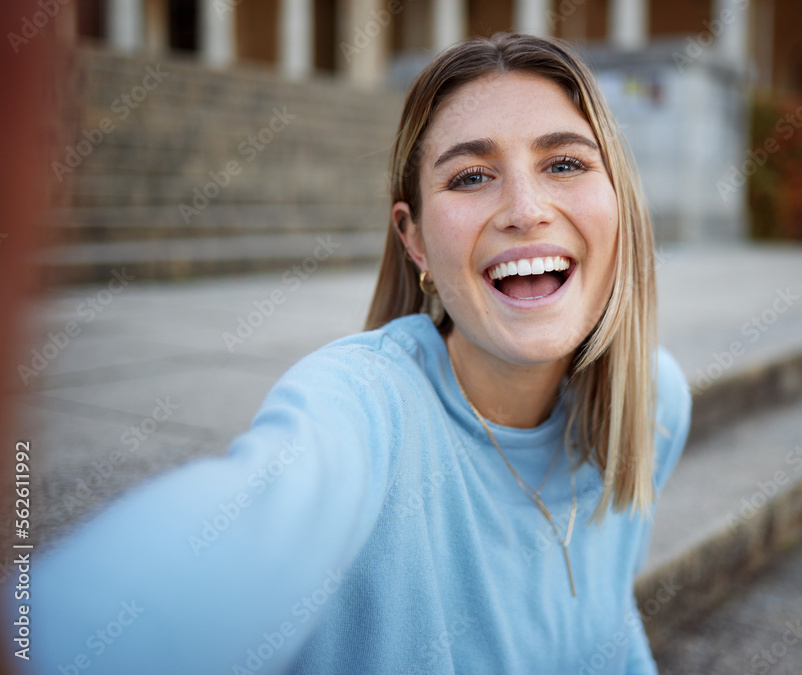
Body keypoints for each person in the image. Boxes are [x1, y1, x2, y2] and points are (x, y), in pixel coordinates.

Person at [9, 33, 691, 674]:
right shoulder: (362, 407)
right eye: (471, 177)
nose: (525, 208)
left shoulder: (654, 401)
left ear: (621, 203)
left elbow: (604, 621)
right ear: (415, 238)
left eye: (565, 163)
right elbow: (251, 522)